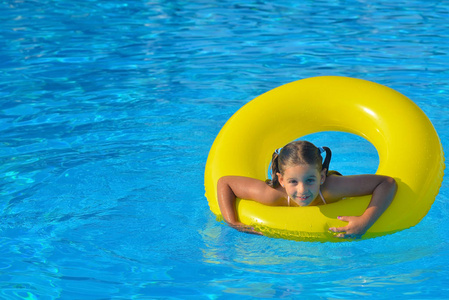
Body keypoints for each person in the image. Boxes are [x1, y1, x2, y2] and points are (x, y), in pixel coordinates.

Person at [217, 140, 397, 239]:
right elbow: (225, 183)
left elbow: (387, 183)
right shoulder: (273, 194)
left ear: (322, 177)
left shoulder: (332, 188)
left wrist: (365, 221)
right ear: (281, 179)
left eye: (310, 180)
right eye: (293, 181)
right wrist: (232, 222)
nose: (302, 190)